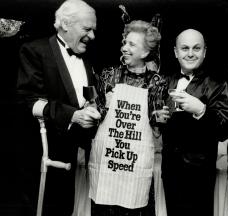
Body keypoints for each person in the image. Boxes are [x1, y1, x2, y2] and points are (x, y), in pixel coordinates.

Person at [16, 0, 100, 215]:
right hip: (46, 157)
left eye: (93, 30)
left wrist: (95, 105)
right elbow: (28, 102)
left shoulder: (88, 58)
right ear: (65, 24)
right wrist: (73, 115)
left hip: (79, 158)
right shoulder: (35, 50)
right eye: (87, 29)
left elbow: (88, 95)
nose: (92, 36)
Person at [88, 20, 164, 216]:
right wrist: (101, 105)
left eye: (132, 45)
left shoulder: (156, 81)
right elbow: (97, 117)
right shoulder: (109, 75)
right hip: (108, 162)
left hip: (135, 165)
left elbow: (156, 127)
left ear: (145, 53)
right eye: (125, 43)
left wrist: (161, 117)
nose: (124, 48)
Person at [158, 28, 228, 216]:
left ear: (205, 52)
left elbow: (225, 129)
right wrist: (157, 118)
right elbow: (158, 120)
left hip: (199, 175)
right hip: (170, 170)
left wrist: (201, 110)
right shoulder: (164, 81)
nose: (190, 53)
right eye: (184, 48)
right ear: (176, 52)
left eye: (196, 48)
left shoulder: (218, 84)